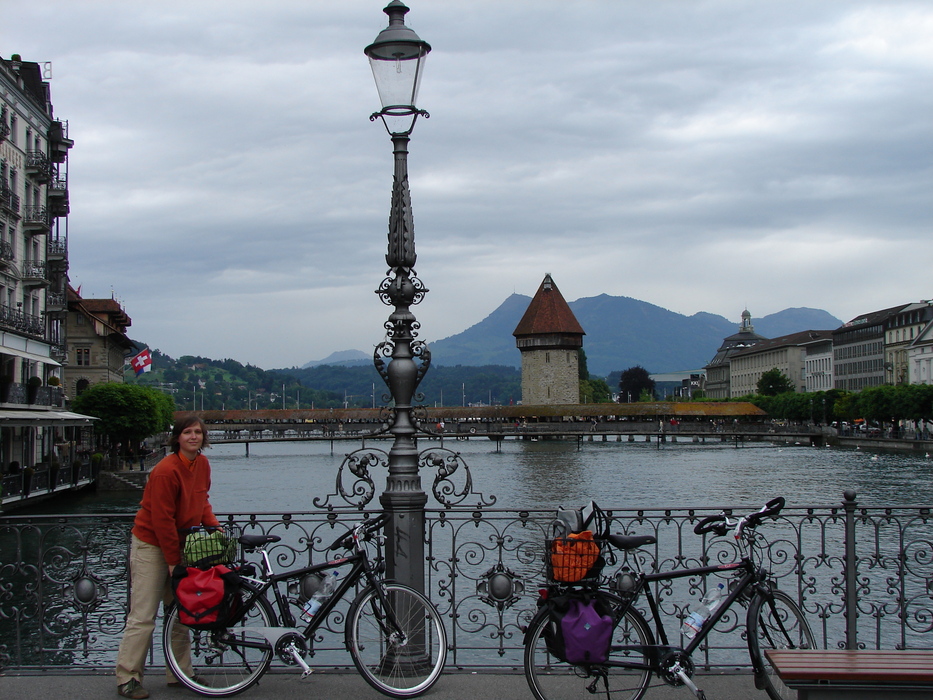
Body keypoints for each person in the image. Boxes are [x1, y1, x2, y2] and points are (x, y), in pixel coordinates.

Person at [115, 415, 220, 699]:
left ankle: (180, 672)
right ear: (177, 438)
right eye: (188, 432)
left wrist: (215, 527)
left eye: (198, 432)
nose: (194, 436)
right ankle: (128, 677)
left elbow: (201, 500)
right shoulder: (165, 470)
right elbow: (162, 520)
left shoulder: (202, 464)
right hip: (151, 545)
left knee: (179, 614)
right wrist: (174, 562)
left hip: (180, 544)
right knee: (143, 614)